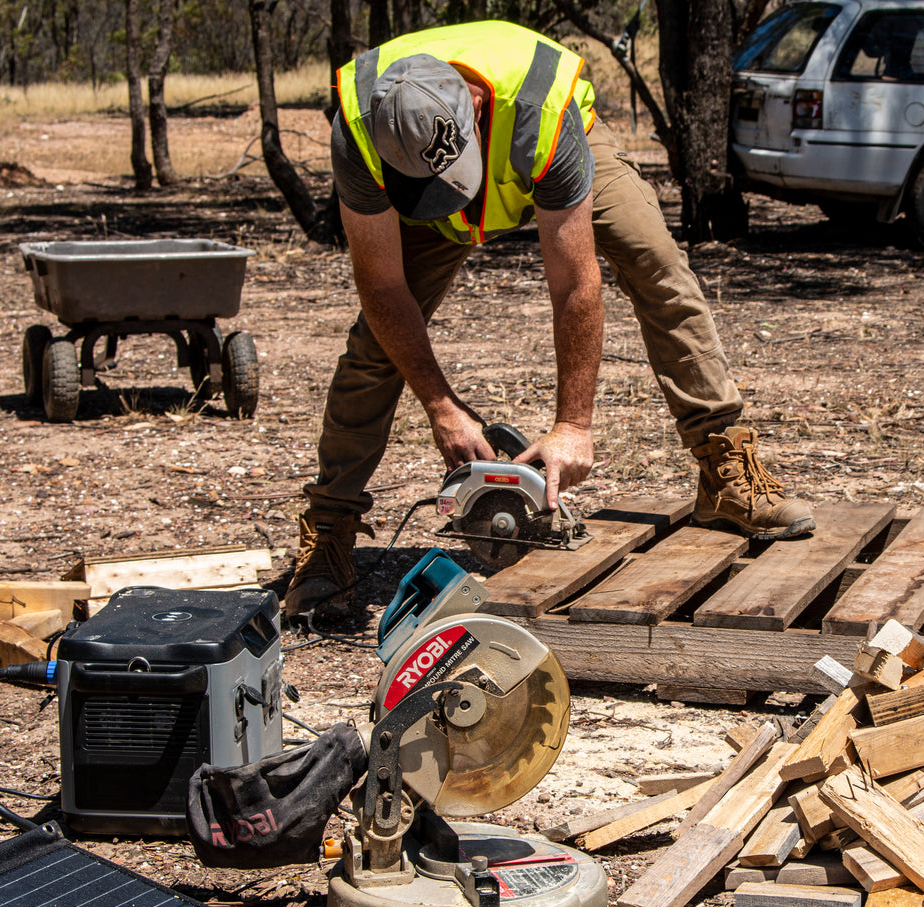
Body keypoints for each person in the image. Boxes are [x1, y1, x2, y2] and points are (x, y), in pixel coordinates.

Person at [284, 20, 815, 618]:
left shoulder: (540, 111)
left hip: (561, 147)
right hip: (429, 176)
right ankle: (328, 531)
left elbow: (575, 283)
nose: (448, 196)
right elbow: (382, 287)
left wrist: (573, 426)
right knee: (374, 347)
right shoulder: (359, 128)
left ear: (477, 110)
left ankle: (723, 470)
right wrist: (441, 406)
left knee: (660, 269)